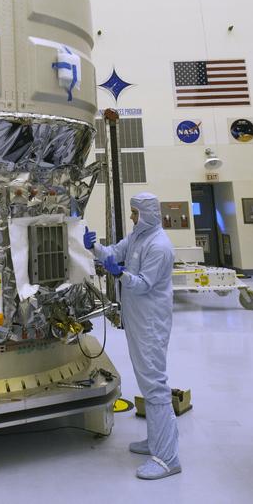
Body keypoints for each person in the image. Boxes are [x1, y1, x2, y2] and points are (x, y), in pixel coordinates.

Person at [83, 193, 180, 481]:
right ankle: (155, 441)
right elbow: (114, 252)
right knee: (147, 383)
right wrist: (96, 247)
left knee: (155, 385)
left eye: (135, 213)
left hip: (151, 322)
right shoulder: (138, 236)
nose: (132, 218)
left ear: (149, 214)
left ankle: (167, 458)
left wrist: (119, 274)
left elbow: (143, 285)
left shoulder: (160, 246)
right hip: (138, 320)